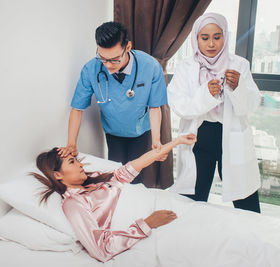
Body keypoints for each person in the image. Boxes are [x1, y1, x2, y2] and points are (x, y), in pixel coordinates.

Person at [32, 134, 196, 262]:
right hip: (152, 223)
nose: (80, 164)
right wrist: (148, 224)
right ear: (58, 175)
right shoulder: (73, 204)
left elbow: (136, 164)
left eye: (77, 161)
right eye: (72, 162)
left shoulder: (95, 179)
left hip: (161, 204)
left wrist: (177, 141)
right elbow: (100, 249)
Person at [167, 12, 261, 213]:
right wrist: (206, 94)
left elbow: (252, 105)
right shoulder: (186, 67)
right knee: (191, 199)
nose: (211, 44)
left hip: (232, 135)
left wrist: (238, 88)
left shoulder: (239, 65)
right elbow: (178, 104)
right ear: (196, 39)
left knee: (246, 201)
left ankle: (252, 239)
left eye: (217, 37)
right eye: (205, 38)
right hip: (199, 137)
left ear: (224, 37)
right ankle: (190, 238)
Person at [58, 21, 168, 184]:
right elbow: (77, 108)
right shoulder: (91, 69)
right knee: (115, 177)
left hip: (140, 132)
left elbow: (154, 106)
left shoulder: (150, 66)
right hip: (113, 132)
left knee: (136, 178)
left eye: (115, 59)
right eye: (103, 59)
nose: (108, 65)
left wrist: (156, 140)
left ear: (128, 47)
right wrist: (71, 143)